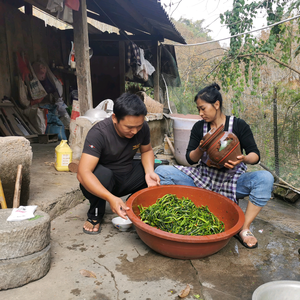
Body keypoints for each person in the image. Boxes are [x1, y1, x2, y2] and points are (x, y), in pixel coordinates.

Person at [155, 83, 274, 249]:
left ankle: (243, 228)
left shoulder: (238, 125)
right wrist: (201, 148)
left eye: (203, 108)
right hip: (203, 178)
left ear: (216, 105)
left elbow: (255, 156)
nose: (200, 113)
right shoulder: (199, 127)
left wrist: (242, 158)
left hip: (232, 179)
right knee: (161, 171)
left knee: (265, 178)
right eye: (198, 109)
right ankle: (188, 211)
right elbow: (190, 159)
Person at [77, 92, 160, 234]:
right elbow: (82, 173)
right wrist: (111, 198)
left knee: (158, 171)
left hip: (126, 175)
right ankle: (95, 214)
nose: (134, 131)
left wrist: (149, 172)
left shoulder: (142, 128)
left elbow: (146, 151)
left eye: (138, 126)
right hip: (105, 182)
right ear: (115, 118)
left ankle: (131, 204)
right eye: (129, 127)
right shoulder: (99, 133)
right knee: (101, 175)